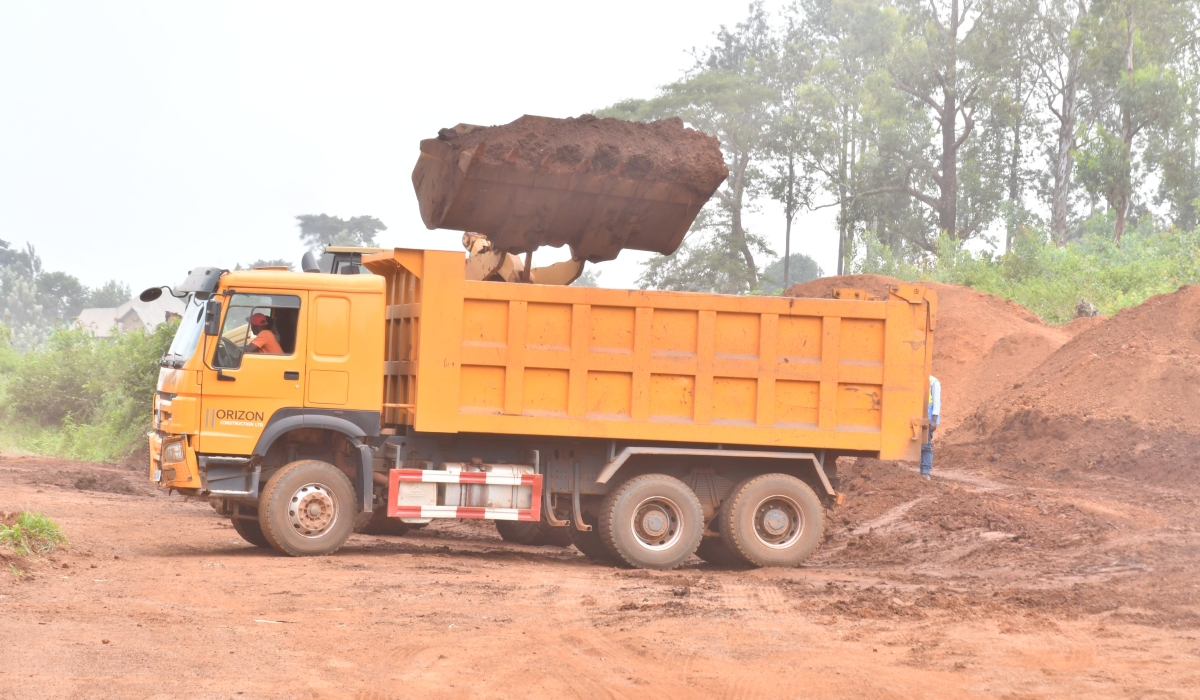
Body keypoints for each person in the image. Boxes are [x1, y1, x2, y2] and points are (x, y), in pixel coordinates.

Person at [921, 375, 941, 480]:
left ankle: (926, 472)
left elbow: (937, 403)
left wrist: (934, 420)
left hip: (929, 417)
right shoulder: (918, 377)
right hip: (920, 416)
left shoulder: (933, 382)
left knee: (926, 445)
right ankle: (923, 472)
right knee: (920, 446)